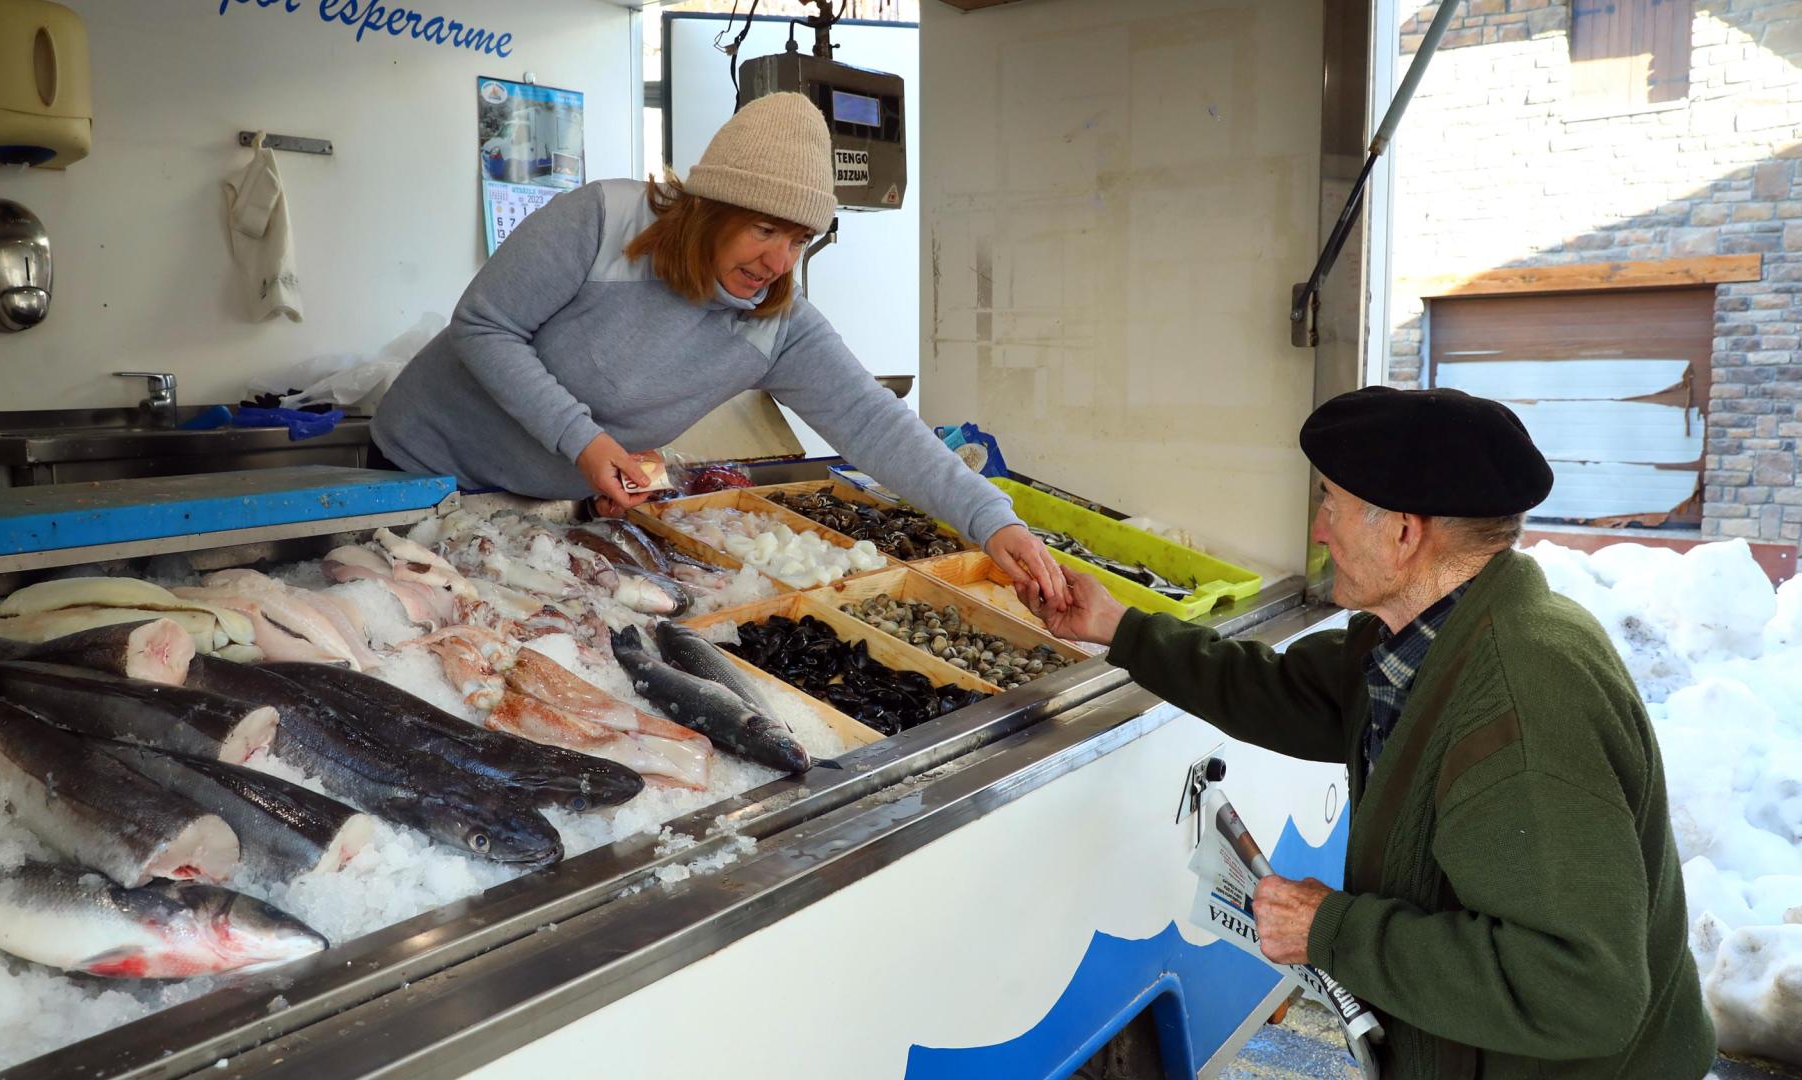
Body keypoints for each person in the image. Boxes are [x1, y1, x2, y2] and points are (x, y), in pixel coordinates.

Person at [1027, 387, 1716, 1079]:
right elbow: (1283, 691)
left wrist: (1333, 930)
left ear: (1404, 533)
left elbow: (1581, 989)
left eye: (1331, 502)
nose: (1320, 528)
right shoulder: (1424, 639)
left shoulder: (1522, 704)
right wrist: (1118, 627)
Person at [373, 92, 1067, 609]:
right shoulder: (600, 222)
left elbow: (874, 422)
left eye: (798, 241)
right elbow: (484, 327)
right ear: (709, 208)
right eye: (764, 229)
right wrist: (582, 441)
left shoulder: (779, 322)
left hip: (535, 514)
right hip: (414, 477)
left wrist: (990, 521)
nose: (777, 260)